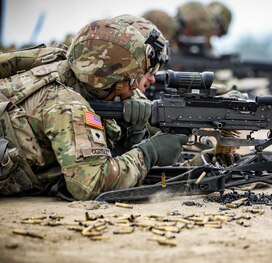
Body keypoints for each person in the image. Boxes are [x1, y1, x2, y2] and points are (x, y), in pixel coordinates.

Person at [0, 16, 188, 200]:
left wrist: (135, 131)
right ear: (106, 81)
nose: (134, 87)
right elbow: (92, 184)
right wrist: (150, 152)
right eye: (130, 79)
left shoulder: (67, 70)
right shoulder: (67, 106)